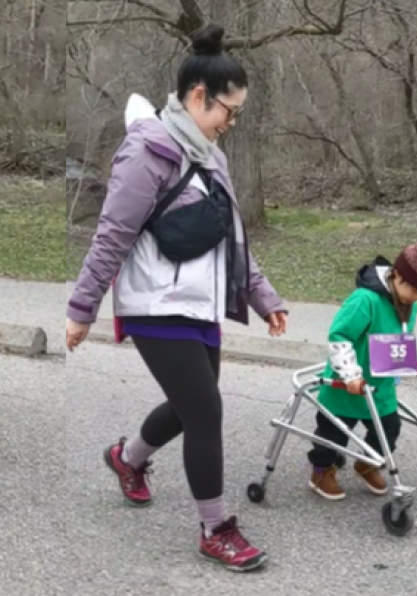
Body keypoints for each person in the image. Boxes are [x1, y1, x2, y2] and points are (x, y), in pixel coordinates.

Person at [65, 24, 288, 573]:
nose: (230, 124)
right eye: (226, 112)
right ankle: (216, 527)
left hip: (200, 306)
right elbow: (113, 233)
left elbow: (232, 235)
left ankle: (127, 458)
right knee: (206, 409)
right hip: (154, 304)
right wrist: (81, 308)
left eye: (236, 114)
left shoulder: (213, 158)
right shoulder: (145, 151)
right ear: (196, 97)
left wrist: (264, 297)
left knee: (193, 406)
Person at [307, 241, 417, 500]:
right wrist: (350, 375)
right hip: (347, 384)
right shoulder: (365, 300)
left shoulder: (408, 303)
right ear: (397, 275)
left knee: (389, 428)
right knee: (332, 433)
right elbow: (340, 336)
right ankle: (321, 470)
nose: (416, 298)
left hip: (380, 384)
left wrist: (405, 359)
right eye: (413, 289)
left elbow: (398, 336)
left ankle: (367, 462)